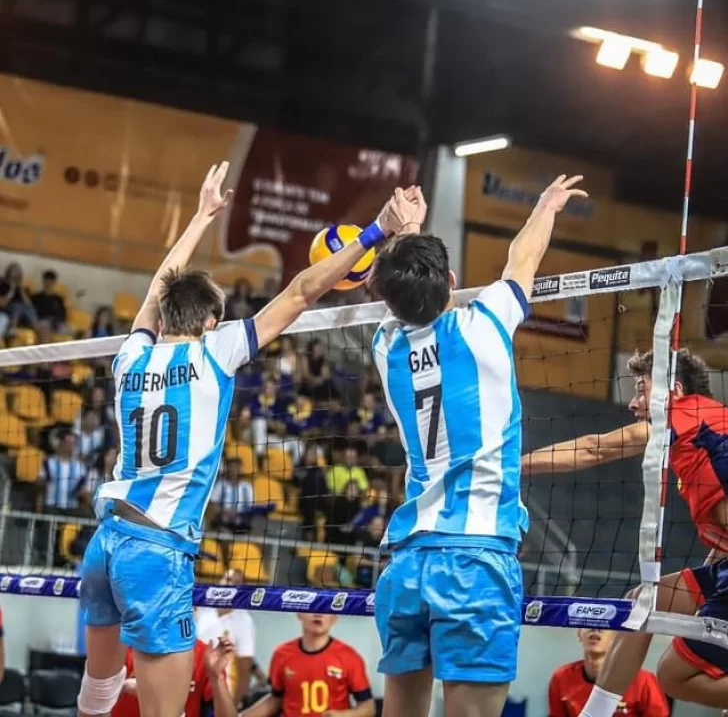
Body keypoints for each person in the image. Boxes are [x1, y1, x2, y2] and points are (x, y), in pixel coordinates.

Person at [76, 160, 421, 717]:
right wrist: (376, 231)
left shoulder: (130, 356)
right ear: (212, 321)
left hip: (105, 541)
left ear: (163, 319)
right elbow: (303, 290)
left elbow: (154, 291)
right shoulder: (216, 351)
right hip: (156, 549)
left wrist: (198, 219)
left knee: (98, 693)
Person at [367, 176, 588, 717]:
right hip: (476, 559)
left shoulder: (385, 347)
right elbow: (522, 258)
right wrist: (544, 205)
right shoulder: (485, 325)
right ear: (451, 281)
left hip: (408, 561)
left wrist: (409, 230)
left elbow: (405, 295)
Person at [523, 348, 728, 715]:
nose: (633, 403)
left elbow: (593, 450)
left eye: (641, 388)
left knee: (671, 676)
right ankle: (597, 711)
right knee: (644, 599)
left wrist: (508, 468)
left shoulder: (688, 413)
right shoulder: (704, 431)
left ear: (674, 390)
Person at [240, 614, 375, 717]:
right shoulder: (282, 654)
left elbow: (369, 707)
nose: (318, 614)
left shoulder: (349, 657)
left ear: (335, 617)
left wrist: (343, 716)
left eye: (325, 608)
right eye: (313, 605)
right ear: (299, 612)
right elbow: (275, 699)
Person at [548, 629, 668, 717]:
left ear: (617, 637)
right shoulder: (561, 677)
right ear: (578, 633)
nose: (596, 629)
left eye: (605, 624)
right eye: (589, 622)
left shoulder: (644, 681)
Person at [111, 636, 236, 717]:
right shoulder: (121, 647)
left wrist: (216, 677)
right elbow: (95, 704)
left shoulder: (204, 655)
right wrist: (125, 687)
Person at [195, 569, 255, 708]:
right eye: (227, 579)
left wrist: (233, 705)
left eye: (236, 583)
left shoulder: (244, 621)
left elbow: (245, 667)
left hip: (221, 690)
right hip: (195, 683)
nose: (230, 585)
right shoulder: (204, 609)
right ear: (219, 581)